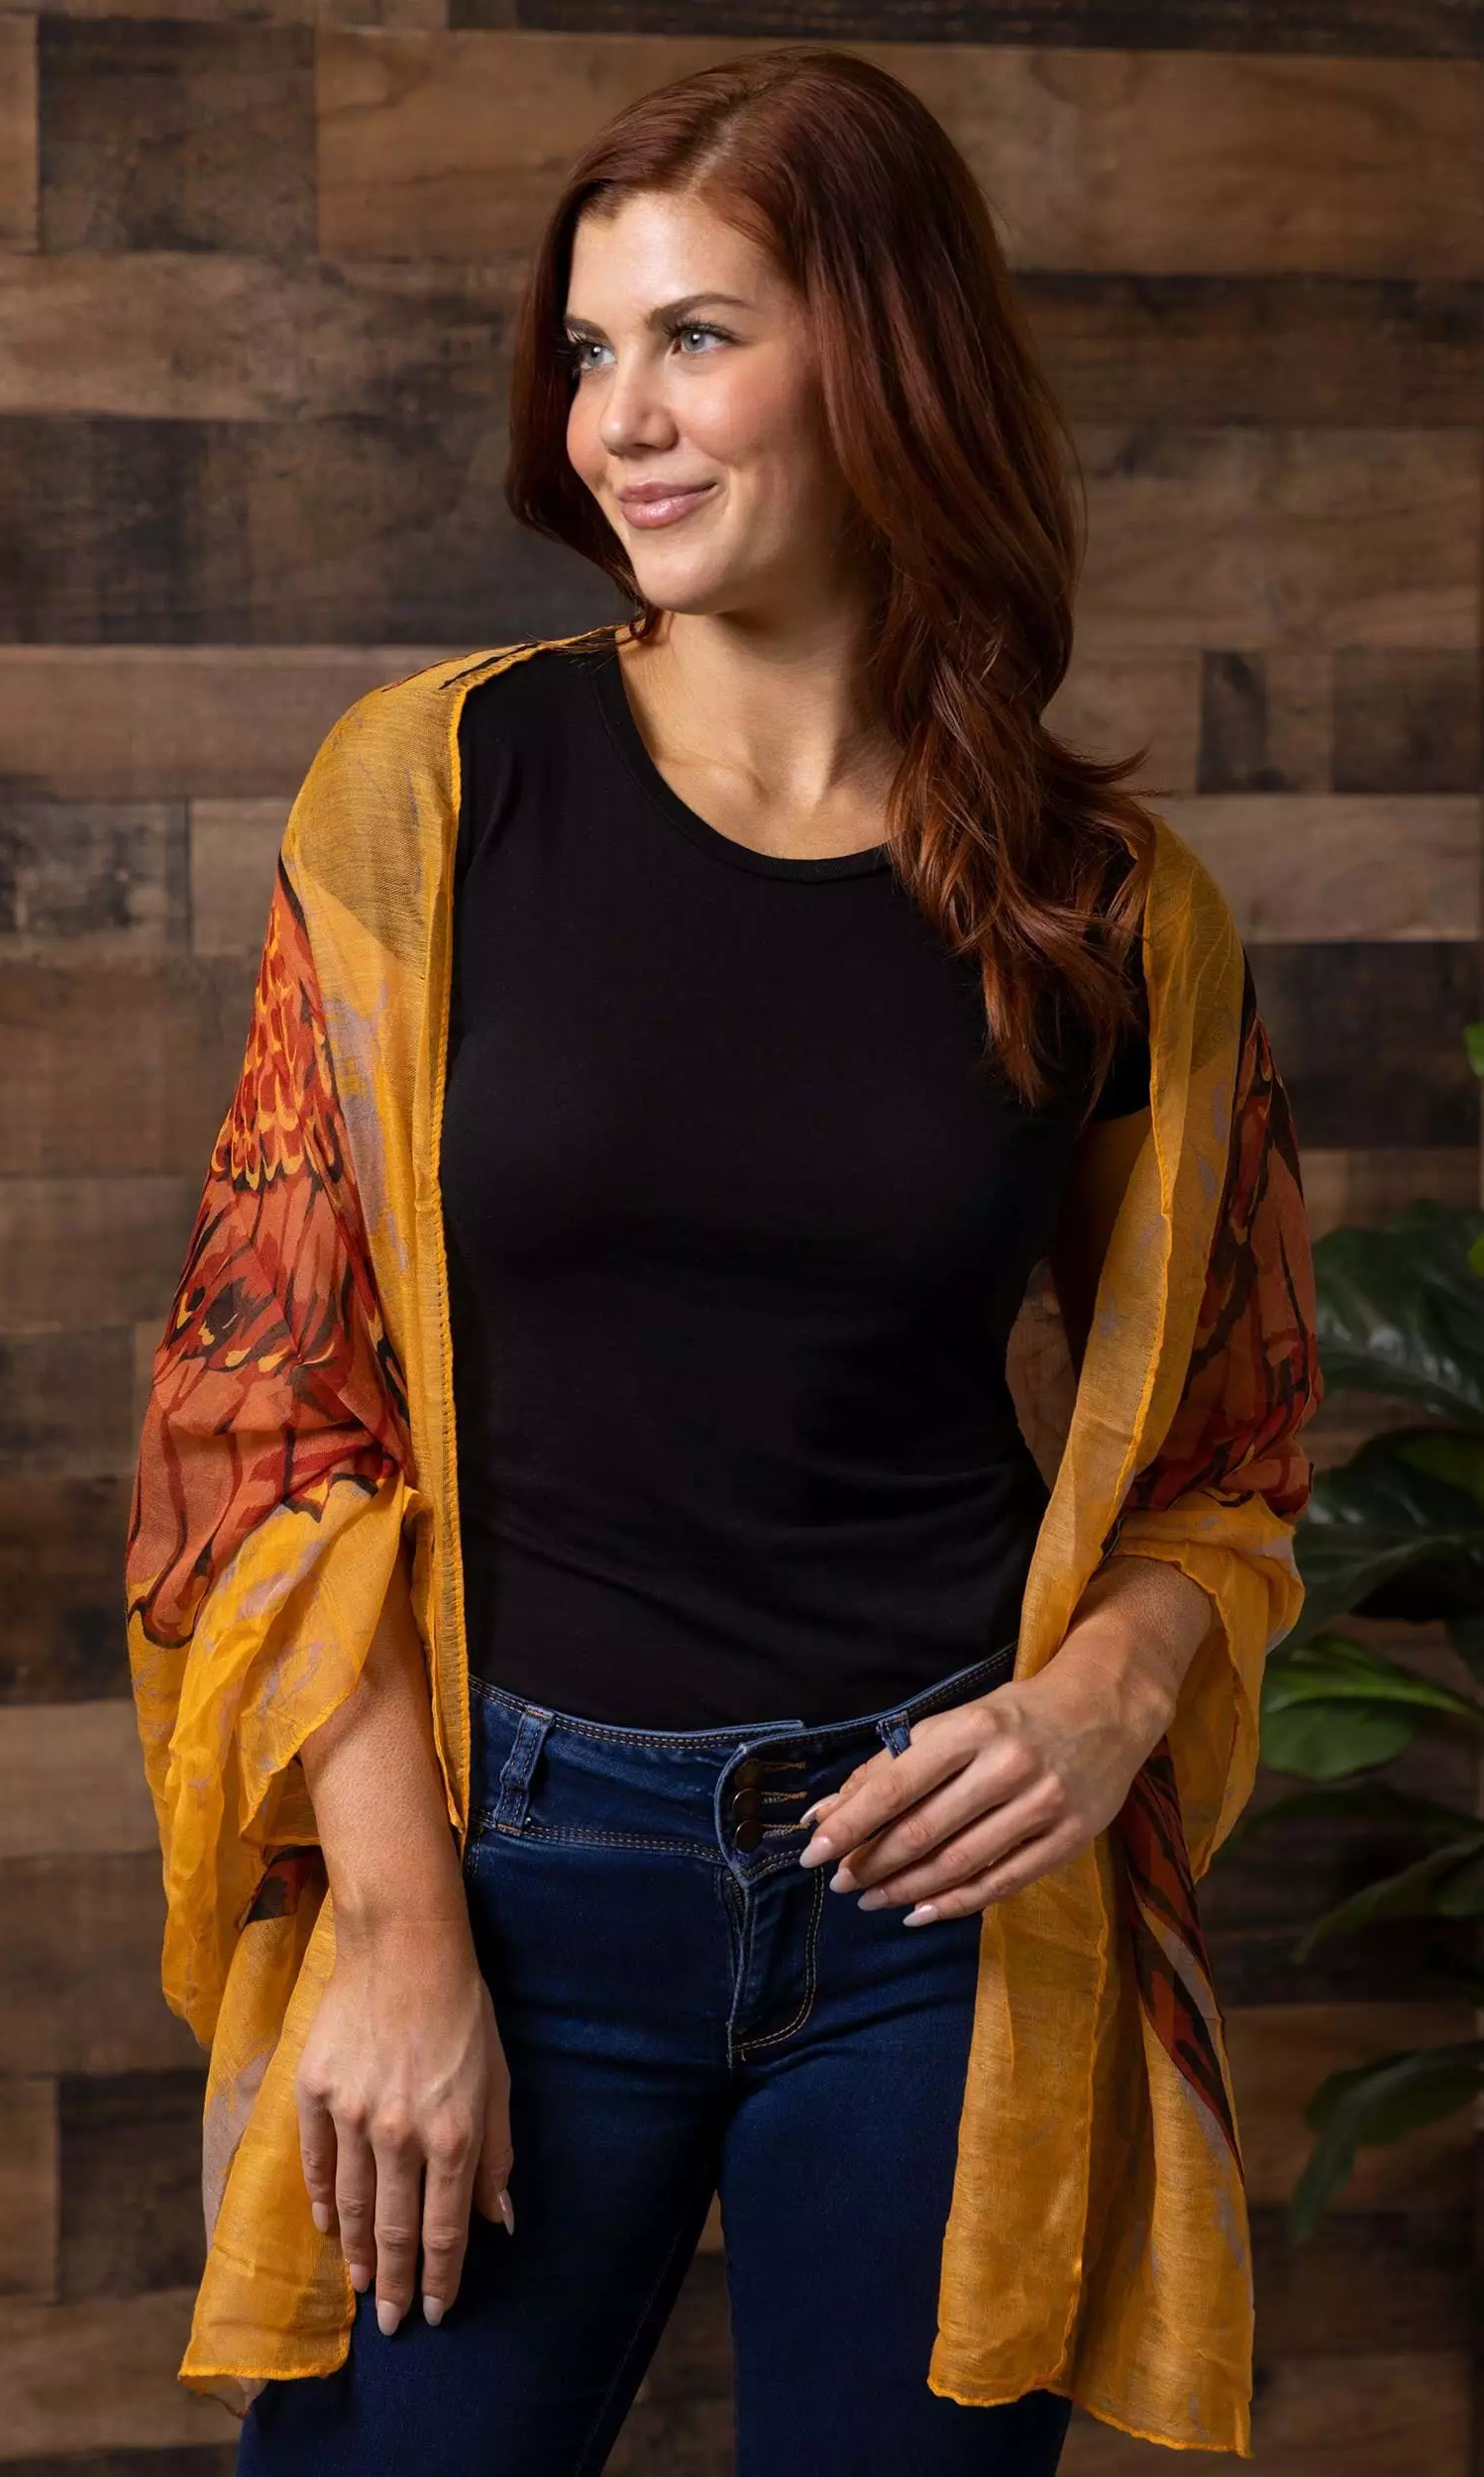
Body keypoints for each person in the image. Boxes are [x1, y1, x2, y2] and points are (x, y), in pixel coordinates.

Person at [126, 48, 1323, 2477]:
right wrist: (401, 1931)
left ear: (882, 359)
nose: (618, 422)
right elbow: (266, 1405)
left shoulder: (1105, 903)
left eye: (694, 337)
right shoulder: (433, 793)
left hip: (936, 1895)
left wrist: (1098, 1703)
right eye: (590, 350)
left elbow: (1228, 1434)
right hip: (507, 1862)